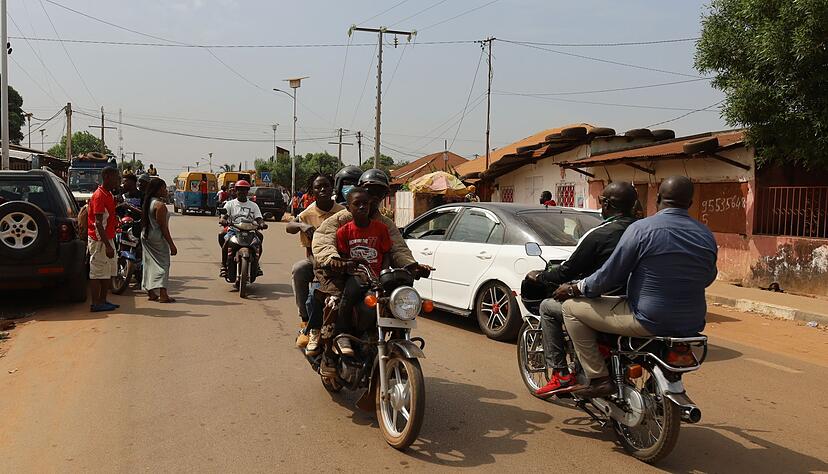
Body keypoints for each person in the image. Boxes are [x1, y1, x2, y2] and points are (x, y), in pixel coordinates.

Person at [552, 176, 718, 398]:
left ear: (657, 198)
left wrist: (575, 289)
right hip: (692, 322)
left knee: (570, 308)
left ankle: (599, 378)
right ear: (690, 203)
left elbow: (610, 276)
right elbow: (708, 277)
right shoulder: (706, 234)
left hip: (647, 318)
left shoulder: (642, 229)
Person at [526, 182, 638, 397]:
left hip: (607, 304)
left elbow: (567, 271)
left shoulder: (599, 234)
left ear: (606, 204)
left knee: (548, 307)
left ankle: (560, 374)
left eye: (601, 201)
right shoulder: (643, 230)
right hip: (639, 303)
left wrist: (541, 276)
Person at [286, 173, 344, 351]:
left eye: (326, 185)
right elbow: (289, 227)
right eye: (318, 187)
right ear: (312, 192)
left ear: (332, 188)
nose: (323, 189)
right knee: (299, 270)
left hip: (341, 261)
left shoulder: (343, 212)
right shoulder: (307, 214)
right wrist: (302, 225)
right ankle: (306, 321)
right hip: (316, 261)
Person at [87, 167, 121, 312]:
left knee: (107, 271)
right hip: (99, 240)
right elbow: (98, 223)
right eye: (115, 178)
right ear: (107, 177)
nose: (117, 181)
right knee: (97, 272)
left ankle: (103, 300)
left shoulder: (108, 194)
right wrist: (107, 245)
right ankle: (96, 303)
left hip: (108, 238)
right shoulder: (99, 196)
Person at [219, 180, 267, 275]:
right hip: (234, 230)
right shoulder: (230, 204)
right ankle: (224, 265)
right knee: (226, 241)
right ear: (236, 191)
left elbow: (259, 218)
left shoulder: (253, 205)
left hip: (250, 230)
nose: (242, 192)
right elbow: (224, 217)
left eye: (244, 190)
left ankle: (256, 264)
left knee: (259, 241)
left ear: (247, 191)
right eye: (239, 189)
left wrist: (262, 224)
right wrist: (223, 220)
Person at [142, 177, 178, 303]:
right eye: (163, 188)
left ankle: (151, 292)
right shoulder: (160, 205)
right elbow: (163, 227)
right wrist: (171, 245)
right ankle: (163, 294)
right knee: (164, 264)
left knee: (149, 263)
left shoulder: (148, 202)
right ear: (157, 190)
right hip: (157, 237)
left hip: (146, 235)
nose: (166, 191)